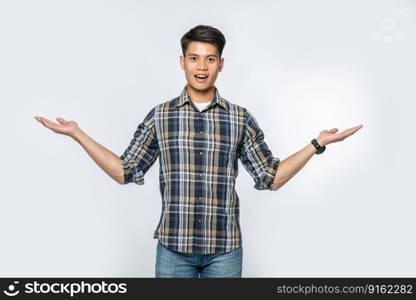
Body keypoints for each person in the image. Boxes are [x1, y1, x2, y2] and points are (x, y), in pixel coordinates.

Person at [34, 25, 363, 278]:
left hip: (225, 253)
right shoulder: (160, 116)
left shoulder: (240, 118)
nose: (201, 66)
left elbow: (271, 177)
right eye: (194, 58)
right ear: (182, 62)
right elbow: (125, 171)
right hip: (173, 251)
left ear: (221, 63)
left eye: (209, 58)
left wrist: (317, 144)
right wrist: (78, 134)